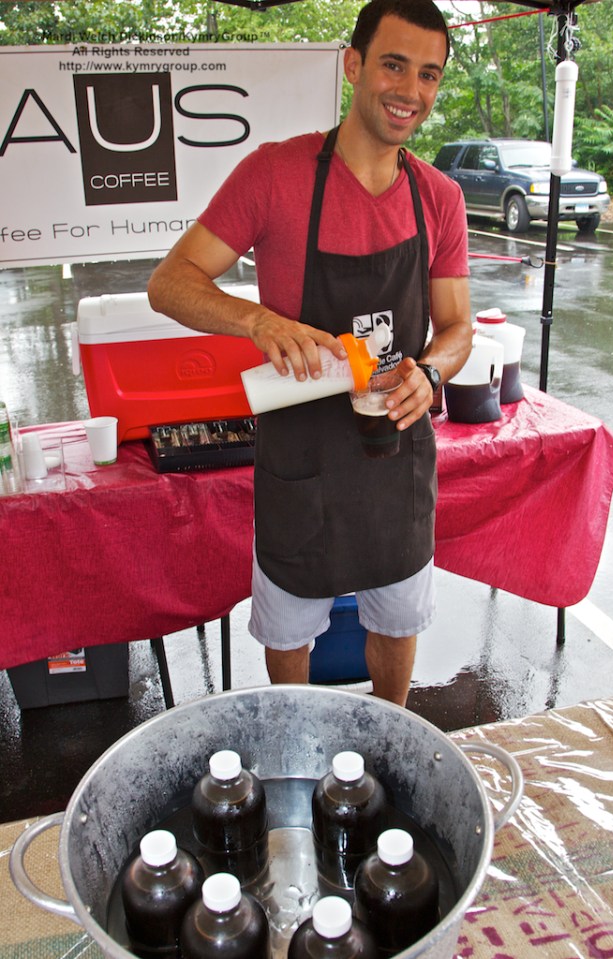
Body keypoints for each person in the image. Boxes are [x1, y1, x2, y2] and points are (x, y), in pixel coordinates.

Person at [148, 0, 472, 707]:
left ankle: (392, 739)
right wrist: (258, 320)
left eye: (429, 75)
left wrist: (434, 369)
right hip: (302, 461)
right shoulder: (275, 174)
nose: (410, 91)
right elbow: (169, 284)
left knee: (396, 619)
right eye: (394, 65)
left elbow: (456, 327)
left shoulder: (439, 198)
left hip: (396, 459)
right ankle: (293, 750)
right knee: (289, 628)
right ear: (353, 65)